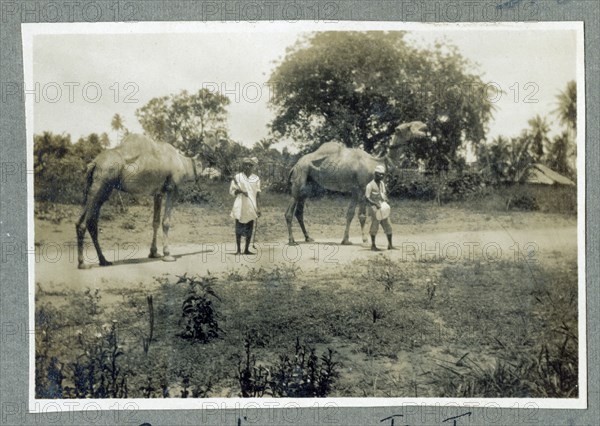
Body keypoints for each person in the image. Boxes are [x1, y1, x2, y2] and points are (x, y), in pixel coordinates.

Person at [230, 157, 261, 255]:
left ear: (253, 166)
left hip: (251, 205)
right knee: (238, 227)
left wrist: (259, 208)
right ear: (243, 166)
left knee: (250, 227)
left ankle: (246, 249)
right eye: (246, 164)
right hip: (240, 204)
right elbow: (232, 191)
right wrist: (240, 191)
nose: (248, 166)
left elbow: (258, 194)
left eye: (250, 165)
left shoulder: (256, 178)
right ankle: (238, 250)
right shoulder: (237, 177)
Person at [365, 164, 394, 251]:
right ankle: (373, 245)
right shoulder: (369, 185)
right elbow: (367, 198)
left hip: (382, 207)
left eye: (382, 174)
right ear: (375, 174)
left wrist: (387, 200)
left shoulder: (382, 184)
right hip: (374, 208)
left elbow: (383, 194)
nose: (381, 176)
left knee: (388, 225)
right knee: (375, 225)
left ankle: (390, 245)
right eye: (379, 174)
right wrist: (374, 204)